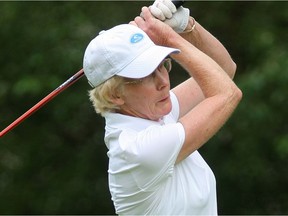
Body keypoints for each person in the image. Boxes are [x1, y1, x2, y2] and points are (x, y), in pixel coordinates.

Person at [83, 1, 242, 215]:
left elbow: (223, 70)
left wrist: (186, 26)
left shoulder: (154, 115)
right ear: (114, 95)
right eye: (146, 75)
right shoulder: (136, 149)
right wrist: (167, 37)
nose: (163, 82)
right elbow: (227, 93)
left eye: (162, 65)